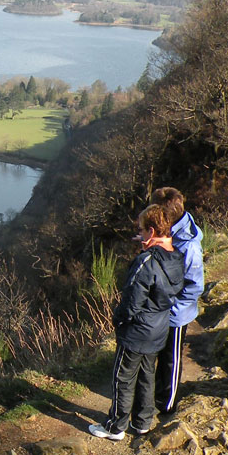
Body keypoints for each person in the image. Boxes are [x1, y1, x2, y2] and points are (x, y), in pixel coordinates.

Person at [89, 204, 185, 441]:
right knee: (146, 376)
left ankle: (115, 426)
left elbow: (132, 301)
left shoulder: (146, 262)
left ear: (151, 232)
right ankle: (142, 422)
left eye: (142, 230)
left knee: (123, 377)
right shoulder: (177, 256)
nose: (140, 234)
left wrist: (118, 321)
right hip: (160, 327)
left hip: (137, 331)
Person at [150, 188, 204, 417]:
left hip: (175, 314)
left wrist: (171, 309)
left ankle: (167, 404)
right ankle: (154, 395)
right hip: (160, 308)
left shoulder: (189, 245)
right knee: (155, 356)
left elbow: (195, 286)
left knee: (170, 359)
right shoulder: (169, 231)